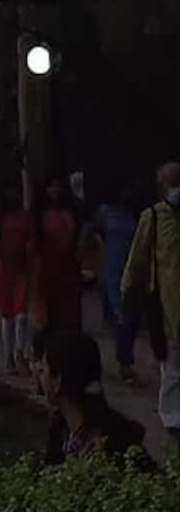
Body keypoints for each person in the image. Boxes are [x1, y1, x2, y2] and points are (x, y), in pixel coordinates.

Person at [120, 161, 180, 446]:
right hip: (166, 306)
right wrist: (129, 291)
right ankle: (172, 419)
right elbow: (138, 257)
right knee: (171, 363)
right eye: (173, 183)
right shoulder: (153, 218)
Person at [35, 327, 150, 467]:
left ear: (58, 380)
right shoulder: (61, 426)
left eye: (43, 370)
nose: (39, 376)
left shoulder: (104, 446)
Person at [0, 178, 37, 373]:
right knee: (8, 316)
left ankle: (20, 353)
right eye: (10, 191)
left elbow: (32, 238)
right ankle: (8, 358)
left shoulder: (25, 216)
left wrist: (28, 250)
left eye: (16, 191)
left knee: (21, 315)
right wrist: (1, 247)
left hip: (22, 270)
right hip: (3, 269)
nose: (14, 194)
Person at [94, 178, 145, 385]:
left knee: (131, 317)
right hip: (112, 268)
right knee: (122, 315)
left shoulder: (134, 214)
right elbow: (94, 236)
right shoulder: (104, 212)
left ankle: (126, 358)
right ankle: (125, 364)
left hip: (132, 268)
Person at [33, 175, 83, 336]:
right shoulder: (39, 214)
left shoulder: (69, 212)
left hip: (67, 267)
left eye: (58, 186)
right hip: (46, 266)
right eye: (51, 186)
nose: (55, 190)